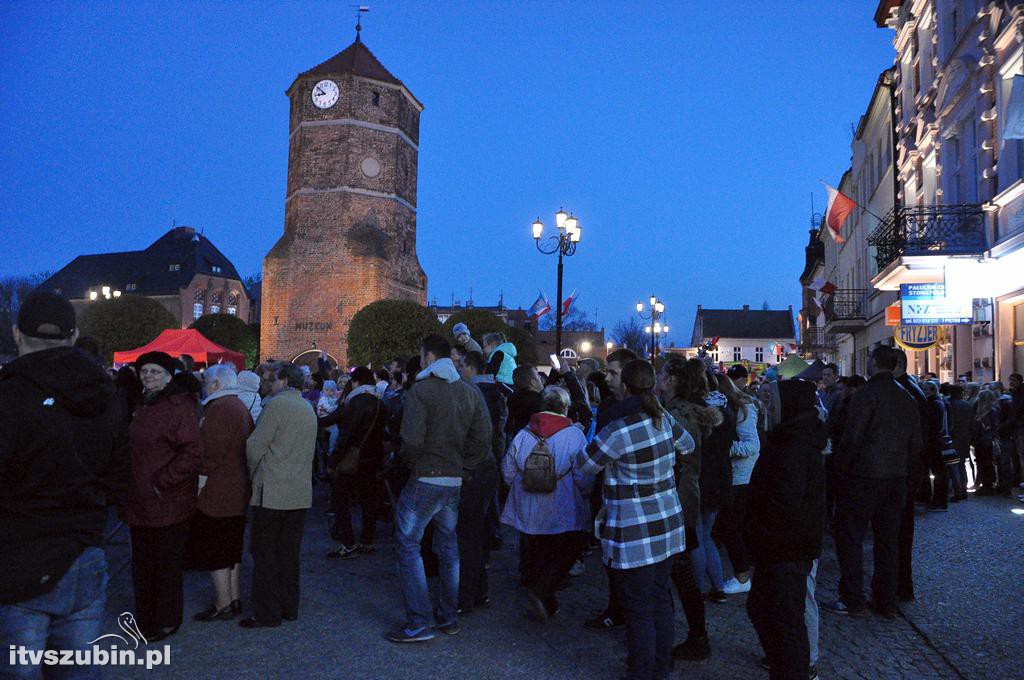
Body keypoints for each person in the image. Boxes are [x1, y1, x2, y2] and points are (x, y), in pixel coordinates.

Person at [0, 292, 129, 664]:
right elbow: (120, 476)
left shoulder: (10, 395)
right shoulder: (108, 395)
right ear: (73, 336)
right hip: (84, 547)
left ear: (16, 334)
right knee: (78, 670)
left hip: (20, 553)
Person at [578, 359, 693, 680]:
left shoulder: (620, 430)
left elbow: (585, 465)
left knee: (639, 608)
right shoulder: (663, 419)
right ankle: (661, 666)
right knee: (660, 599)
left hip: (636, 531)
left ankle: (643, 671)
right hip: (668, 524)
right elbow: (689, 444)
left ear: (626, 388)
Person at [388, 335, 491, 643]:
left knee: (408, 545)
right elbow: (483, 438)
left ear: (430, 358)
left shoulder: (421, 391)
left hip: (427, 476)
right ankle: (448, 615)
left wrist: (415, 464)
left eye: (422, 356)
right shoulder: (469, 391)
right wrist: (465, 466)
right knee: (448, 547)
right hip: (453, 479)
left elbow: (411, 441)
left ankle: (419, 621)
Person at [823, 346, 921, 618]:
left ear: (875, 363)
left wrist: (841, 469)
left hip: (864, 478)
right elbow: (916, 444)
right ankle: (885, 600)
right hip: (895, 478)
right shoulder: (906, 397)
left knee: (850, 537)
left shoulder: (866, 395)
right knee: (888, 541)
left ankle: (852, 597)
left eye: (868, 359)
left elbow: (852, 438)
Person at [746, 379, 826, 680]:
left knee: (784, 621)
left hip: (785, 549)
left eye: (772, 401)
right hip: (782, 547)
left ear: (788, 406)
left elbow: (783, 503)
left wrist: (757, 534)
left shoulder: (793, 444)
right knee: (768, 612)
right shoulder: (789, 437)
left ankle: (793, 672)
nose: (766, 406)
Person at [122, 350, 203, 641]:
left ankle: (166, 620)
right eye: (144, 371)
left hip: (167, 500)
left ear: (169, 375)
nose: (148, 376)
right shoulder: (142, 404)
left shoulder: (179, 407)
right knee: (143, 565)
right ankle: (145, 618)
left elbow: (192, 452)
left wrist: (162, 482)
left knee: (165, 565)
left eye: (155, 371)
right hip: (140, 498)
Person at [502, 386, 591, 619]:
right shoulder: (574, 435)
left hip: (529, 503)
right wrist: (585, 493)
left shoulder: (524, 434)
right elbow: (582, 475)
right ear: (565, 407)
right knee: (566, 547)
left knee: (536, 548)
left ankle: (540, 593)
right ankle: (543, 592)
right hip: (562, 503)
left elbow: (508, 471)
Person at [241, 362, 318, 628]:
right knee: (289, 552)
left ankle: (267, 611)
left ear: (284, 381)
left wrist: (253, 474)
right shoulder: (307, 407)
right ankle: (289, 606)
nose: (268, 384)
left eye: (271, 380)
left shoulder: (275, 406)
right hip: (298, 490)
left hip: (272, 489)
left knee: (264, 553)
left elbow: (254, 447)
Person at [657, 356, 722, 662]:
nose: (658, 378)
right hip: (683, 496)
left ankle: (696, 637)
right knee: (679, 571)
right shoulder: (680, 410)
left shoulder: (678, 414)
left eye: (662, 374)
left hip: (677, 499)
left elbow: (679, 459)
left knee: (679, 571)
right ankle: (694, 635)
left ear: (671, 380)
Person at [187, 364, 254, 621]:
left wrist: (199, 483)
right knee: (231, 545)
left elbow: (210, 452)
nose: (204, 386)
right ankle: (233, 598)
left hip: (219, 488)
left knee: (215, 546)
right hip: (237, 485)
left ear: (216, 384)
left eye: (206, 381)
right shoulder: (238, 406)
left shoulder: (220, 408)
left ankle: (222, 602)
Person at [583, 347, 638, 632]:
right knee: (612, 556)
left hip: (631, 498)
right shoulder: (609, 407)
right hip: (610, 491)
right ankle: (617, 607)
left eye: (613, 373)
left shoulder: (635, 413)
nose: (607, 378)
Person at [457, 350, 506, 613]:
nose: (458, 369)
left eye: (461, 365)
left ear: (472, 367)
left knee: (468, 536)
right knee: (473, 534)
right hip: (485, 467)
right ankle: (478, 591)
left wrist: (466, 466)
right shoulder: (489, 391)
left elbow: (479, 436)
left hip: (477, 470)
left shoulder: (476, 393)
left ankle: (467, 596)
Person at [323, 366, 387, 558]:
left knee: (339, 499)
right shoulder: (379, 403)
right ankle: (367, 540)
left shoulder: (355, 402)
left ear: (356, 381)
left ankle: (348, 542)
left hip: (353, 459)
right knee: (368, 500)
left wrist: (333, 461)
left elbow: (346, 436)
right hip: (373, 458)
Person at [716, 373, 760, 596]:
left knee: (730, 527)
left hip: (740, 477)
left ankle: (743, 575)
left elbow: (752, 446)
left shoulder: (743, 409)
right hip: (727, 476)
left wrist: (724, 448)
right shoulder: (734, 408)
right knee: (723, 527)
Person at [892, 349, 928, 602]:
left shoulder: (903, 392)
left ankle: (901, 586)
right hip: (906, 470)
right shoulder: (912, 390)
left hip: (902, 471)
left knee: (898, 534)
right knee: (899, 533)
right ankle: (901, 585)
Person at [920, 380, 952, 511]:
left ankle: (939, 501)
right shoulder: (936, 403)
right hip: (935, 442)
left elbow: (935, 425)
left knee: (939, 473)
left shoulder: (935, 404)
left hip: (934, 443)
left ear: (931, 390)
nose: (923, 391)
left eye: (925, 389)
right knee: (938, 472)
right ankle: (935, 499)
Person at [973, 390, 1002, 495]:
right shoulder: (983, 411)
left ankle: (988, 485)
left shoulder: (992, 411)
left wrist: (987, 436)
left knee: (987, 463)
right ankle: (986, 484)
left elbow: (995, 427)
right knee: (982, 463)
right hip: (981, 441)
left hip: (986, 442)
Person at [946, 384, 972, 502]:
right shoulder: (967, 405)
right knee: (961, 465)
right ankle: (964, 490)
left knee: (952, 466)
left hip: (952, 438)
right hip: (964, 437)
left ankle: (957, 491)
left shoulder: (948, 404)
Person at [506, 364, 545, 437]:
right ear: (533, 382)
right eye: (537, 375)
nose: (540, 377)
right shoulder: (540, 402)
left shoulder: (512, 400)